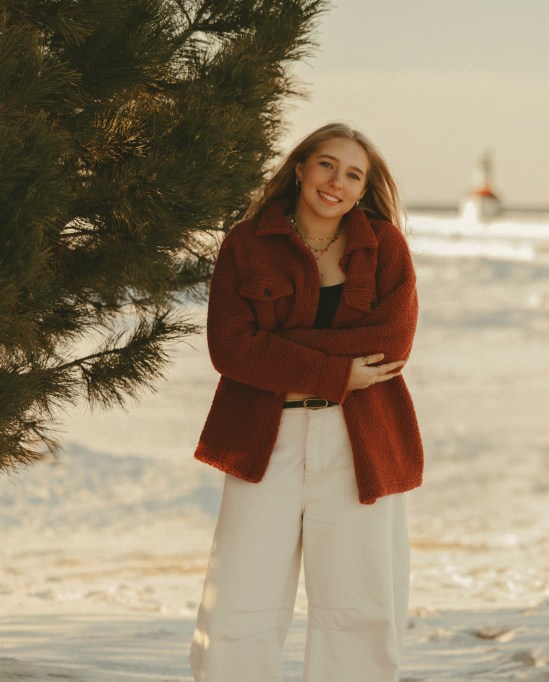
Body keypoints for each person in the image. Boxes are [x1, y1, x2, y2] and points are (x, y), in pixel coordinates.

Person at [189, 122, 423, 681]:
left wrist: (276, 352)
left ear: (363, 190)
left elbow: (390, 345)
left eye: (353, 175)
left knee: (360, 608)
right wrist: (338, 372)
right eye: (326, 165)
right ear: (300, 168)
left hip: (360, 442)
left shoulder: (385, 247)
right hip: (263, 440)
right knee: (239, 600)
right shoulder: (246, 243)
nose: (336, 182)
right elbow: (231, 349)